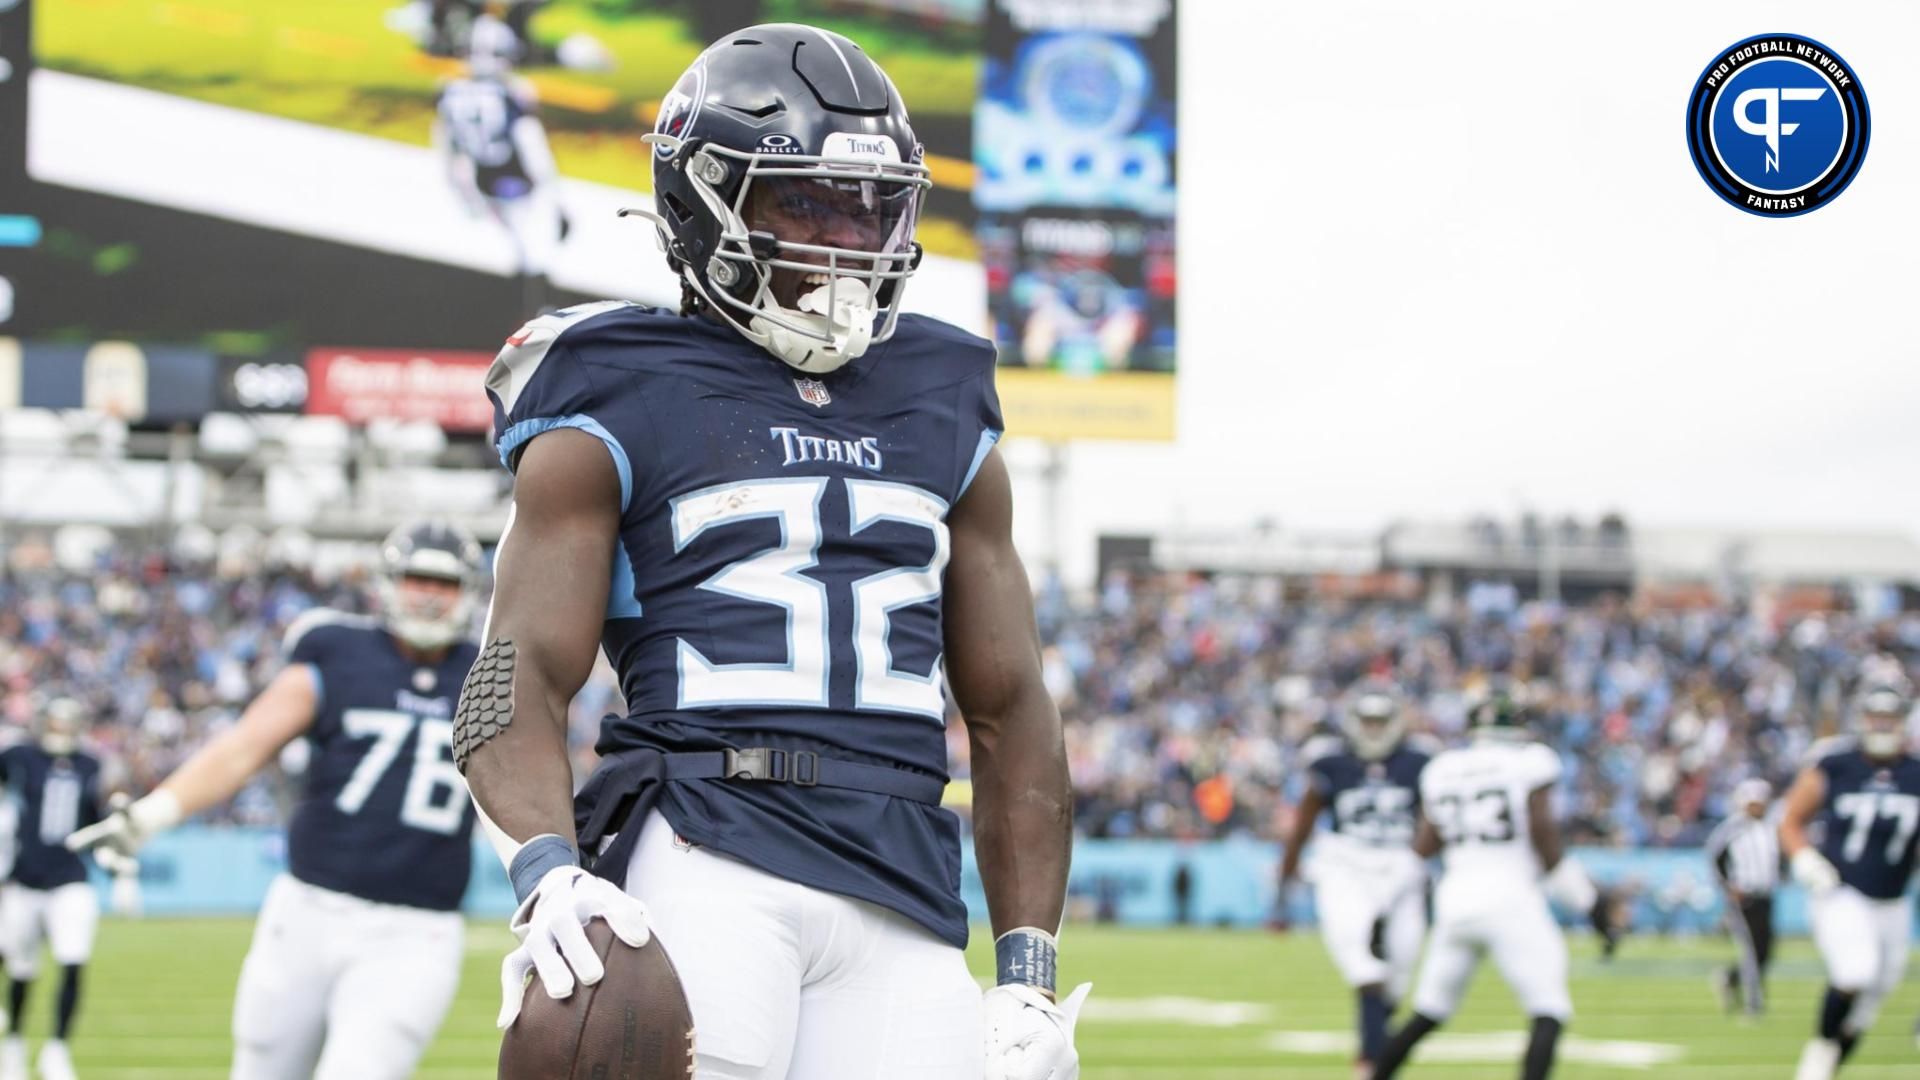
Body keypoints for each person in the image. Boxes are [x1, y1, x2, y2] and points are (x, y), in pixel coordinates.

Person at [459, 23, 1086, 1079]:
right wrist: (547, 869)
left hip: (902, 868)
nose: (848, 241)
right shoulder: (613, 375)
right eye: (808, 202)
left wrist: (1026, 971)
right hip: (708, 843)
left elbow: (1012, 703)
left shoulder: (943, 388)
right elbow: (513, 671)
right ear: (703, 200)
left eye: (875, 208)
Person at [67, 522, 486, 1080]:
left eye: (445, 583)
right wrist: (152, 813)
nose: (429, 595)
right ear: (389, 582)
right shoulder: (338, 649)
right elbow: (245, 747)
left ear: (468, 593)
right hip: (307, 911)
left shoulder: (492, 673)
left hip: (417, 932)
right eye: (417, 579)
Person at [1372, 690, 1573, 1080]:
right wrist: (1589, 902)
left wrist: (1382, 911)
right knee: (1550, 1008)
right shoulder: (1531, 762)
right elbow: (1545, 837)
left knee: (1428, 1012)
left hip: (1456, 900)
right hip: (1511, 897)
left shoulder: (1444, 768)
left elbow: (1422, 849)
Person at [1277, 684, 1430, 1077]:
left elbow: (1434, 823)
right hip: (1346, 866)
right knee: (1364, 968)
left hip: (1401, 867)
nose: (1374, 728)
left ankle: (1375, 1048)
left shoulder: (1420, 760)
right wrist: (1285, 882)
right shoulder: (1330, 761)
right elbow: (1304, 822)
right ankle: (1372, 1062)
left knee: (1397, 978)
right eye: (1367, 720)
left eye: (1381, 720)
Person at [1780, 681, 1920, 1079]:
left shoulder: (1916, 773)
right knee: (1855, 971)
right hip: (1842, 891)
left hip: (1894, 899)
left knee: (1870, 1002)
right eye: (1875, 716)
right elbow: (1790, 820)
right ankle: (1818, 1055)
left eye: (1889, 717)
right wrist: (1805, 858)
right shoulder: (1837, 764)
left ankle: (1827, 1068)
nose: (1881, 725)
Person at [434, 14, 566, 317]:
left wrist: (464, 194)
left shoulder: (449, 92)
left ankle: (518, 310)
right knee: (536, 253)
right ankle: (539, 311)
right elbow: (532, 147)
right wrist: (554, 196)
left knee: (514, 251)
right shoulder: (512, 91)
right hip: (518, 179)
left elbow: (449, 153)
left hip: (483, 179)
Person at [0, 700, 106, 1080]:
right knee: (20, 969)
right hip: (25, 878)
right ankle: (12, 1045)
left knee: (73, 961)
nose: (60, 730)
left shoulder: (89, 764)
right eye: (56, 722)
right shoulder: (21, 756)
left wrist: (114, 858)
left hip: (71, 878)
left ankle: (57, 1049)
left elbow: (96, 821)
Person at [1705, 778, 1779, 1016]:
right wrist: (1728, 887)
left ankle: (1729, 978)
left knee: (1765, 950)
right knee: (1750, 950)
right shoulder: (1732, 828)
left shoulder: (1771, 826)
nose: (1758, 807)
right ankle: (1754, 1003)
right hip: (1743, 897)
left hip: (1766, 894)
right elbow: (1714, 859)